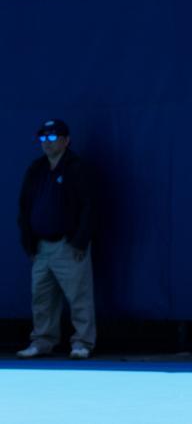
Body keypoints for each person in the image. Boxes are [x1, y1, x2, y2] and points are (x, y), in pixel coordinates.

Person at [16, 119, 96, 360]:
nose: (47, 142)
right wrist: (29, 243)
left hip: (68, 245)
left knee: (79, 296)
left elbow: (89, 207)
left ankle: (82, 342)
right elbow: (25, 207)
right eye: (43, 138)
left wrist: (80, 241)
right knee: (41, 298)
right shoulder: (36, 168)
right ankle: (42, 341)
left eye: (52, 137)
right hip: (41, 247)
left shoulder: (77, 167)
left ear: (66, 140)